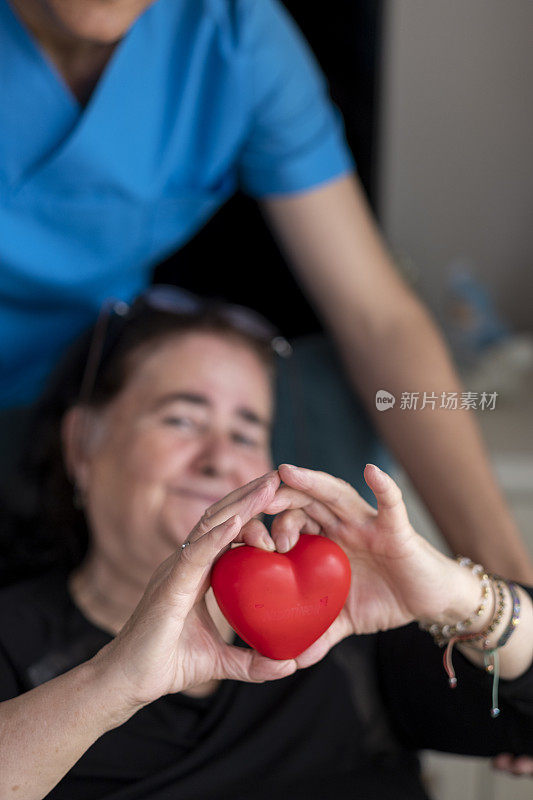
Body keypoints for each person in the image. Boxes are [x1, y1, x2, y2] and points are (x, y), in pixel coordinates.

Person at [1, 0, 532, 586]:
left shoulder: (232, 38)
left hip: (102, 372)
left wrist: (506, 591)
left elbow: (377, 319)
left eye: (244, 431)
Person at [0, 293, 532, 800]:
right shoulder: (12, 641)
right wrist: (111, 682)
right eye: (181, 419)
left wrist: (456, 595)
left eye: (246, 433)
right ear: (81, 446)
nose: (218, 460)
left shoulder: (346, 622)